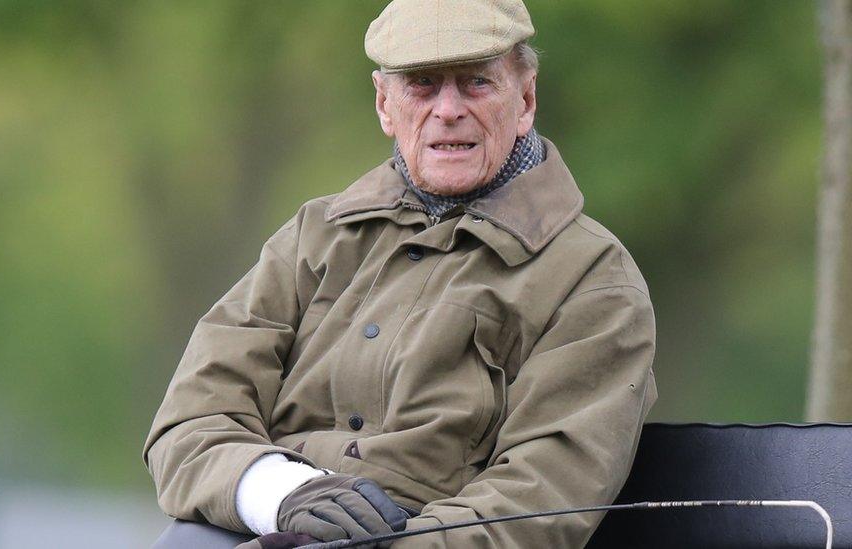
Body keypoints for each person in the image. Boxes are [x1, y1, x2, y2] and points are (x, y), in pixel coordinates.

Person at [144, 1, 657, 547]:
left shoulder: (593, 279)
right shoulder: (314, 235)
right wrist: (279, 493)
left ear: (525, 97)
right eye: (423, 85)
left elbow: (538, 501)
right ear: (385, 104)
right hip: (259, 523)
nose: (448, 109)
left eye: (477, 83)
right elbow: (190, 420)